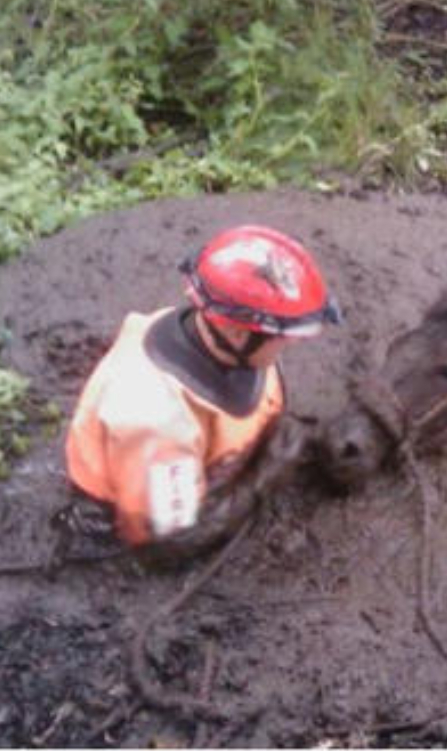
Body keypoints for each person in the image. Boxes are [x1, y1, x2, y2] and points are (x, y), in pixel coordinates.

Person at [64, 224, 342, 556]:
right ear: (238, 334)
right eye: (285, 337)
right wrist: (264, 477)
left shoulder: (217, 336)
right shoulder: (155, 418)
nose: (292, 344)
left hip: (204, 463)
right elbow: (167, 544)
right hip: (132, 511)